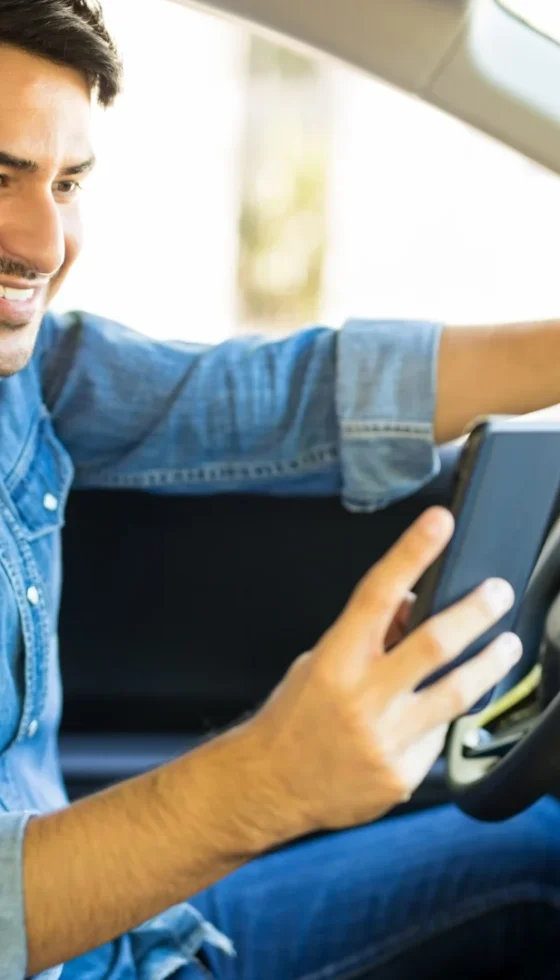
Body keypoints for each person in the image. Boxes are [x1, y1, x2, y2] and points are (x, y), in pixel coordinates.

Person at [2, 3, 560, 979]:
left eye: (68, 182)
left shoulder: (30, 379)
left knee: (543, 856)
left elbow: (284, 396)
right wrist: (266, 781)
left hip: (131, 927)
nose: (46, 243)